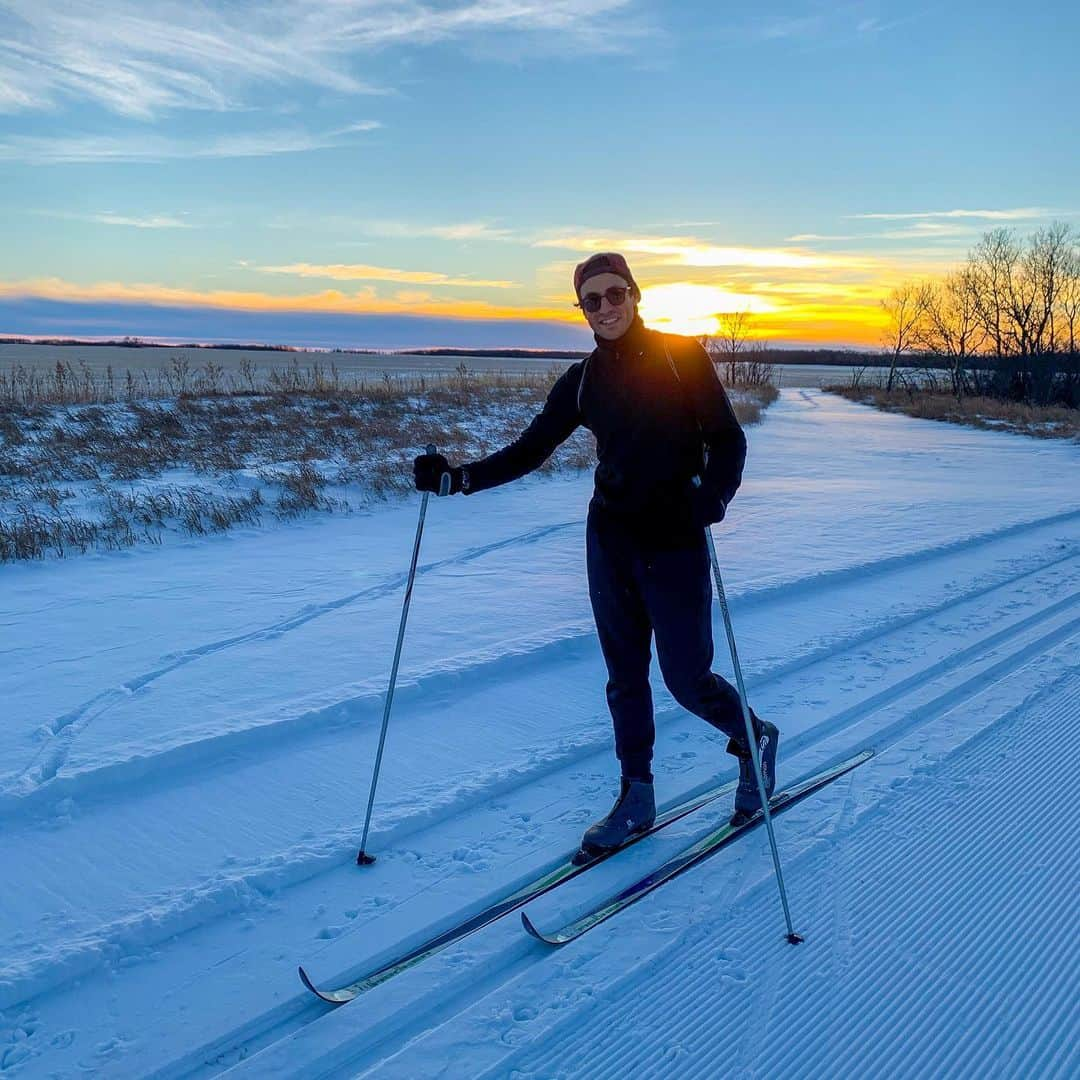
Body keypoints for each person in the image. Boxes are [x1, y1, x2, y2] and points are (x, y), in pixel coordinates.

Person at [413, 252, 778, 856]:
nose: (605, 307)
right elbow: (530, 450)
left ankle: (753, 738)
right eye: (592, 300)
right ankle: (636, 794)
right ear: (581, 309)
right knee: (624, 676)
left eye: (615, 294)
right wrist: (457, 479)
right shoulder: (583, 380)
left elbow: (726, 439)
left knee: (687, 678)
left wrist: (711, 500)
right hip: (609, 538)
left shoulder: (681, 356)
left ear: (636, 295)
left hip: (675, 537)